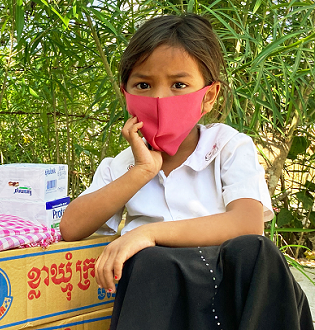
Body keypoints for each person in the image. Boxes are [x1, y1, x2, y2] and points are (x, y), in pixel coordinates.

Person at [60, 13, 314, 330]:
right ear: (126, 96)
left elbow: (247, 224)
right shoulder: (121, 165)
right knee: (148, 262)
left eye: (179, 85)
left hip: (235, 295)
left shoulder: (228, 146)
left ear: (207, 96)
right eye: (143, 85)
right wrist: (140, 172)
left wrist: (147, 233)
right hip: (165, 299)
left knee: (256, 250)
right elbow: (71, 227)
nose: (159, 98)